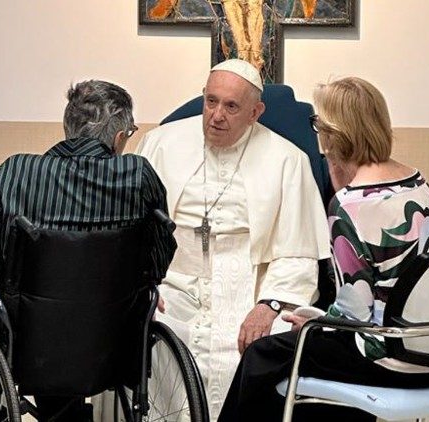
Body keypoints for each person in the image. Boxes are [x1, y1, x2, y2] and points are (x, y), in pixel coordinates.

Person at [218, 77, 429, 422]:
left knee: (263, 355)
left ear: (334, 134)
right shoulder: (418, 183)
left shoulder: (349, 205)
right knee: (313, 348)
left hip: (391, 357)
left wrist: (314, 321)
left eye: (319, 123)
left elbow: (355, 316)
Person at [0, 80, 176, 421]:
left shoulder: (17, 172)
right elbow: (158, 253)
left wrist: (19, 286)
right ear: (119, 138)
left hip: (31, 337)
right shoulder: (137, 174)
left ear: (67, 127)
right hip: (113, 337)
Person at [136, 59, 331, 418]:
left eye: (231, 106)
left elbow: (298, 252)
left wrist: (269, 305)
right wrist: (144, 283)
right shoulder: (160, 144)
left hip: (250, 284)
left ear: (255, 112)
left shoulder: (289, 160)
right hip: (171, 279)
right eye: (211, 101)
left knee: (255, 341)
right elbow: (133, 231)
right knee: (148, 330)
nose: (216, 116)